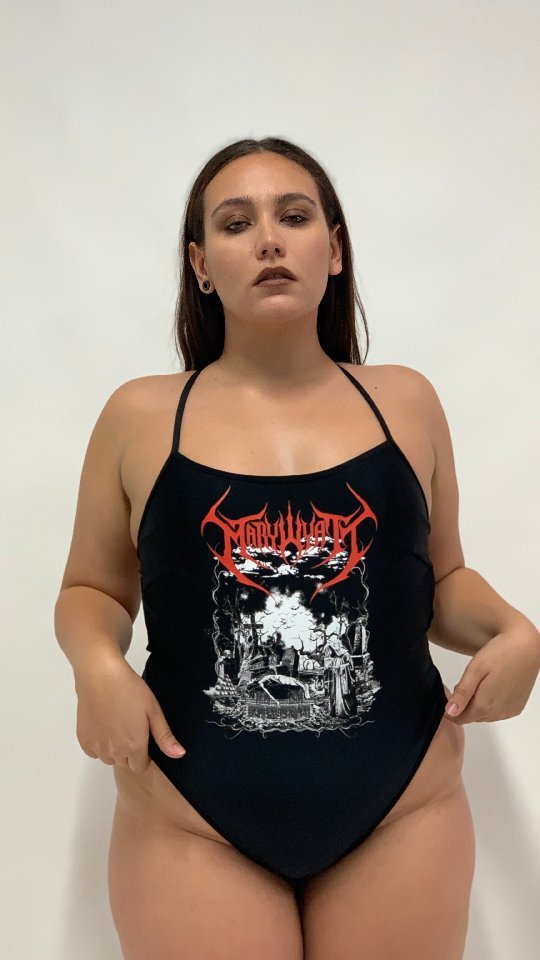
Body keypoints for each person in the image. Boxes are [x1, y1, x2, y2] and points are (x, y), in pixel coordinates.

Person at [54, 138, 540, 960]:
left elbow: (444, 579)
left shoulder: (406, 402)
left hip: (403, 804)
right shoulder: (139, 417)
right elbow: (91, 590)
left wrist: (517, 632)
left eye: (294, 216)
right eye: (236, 223)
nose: (270, 240)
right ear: (201, 265)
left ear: (335, 249)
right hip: (189, 810)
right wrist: (96, 667)